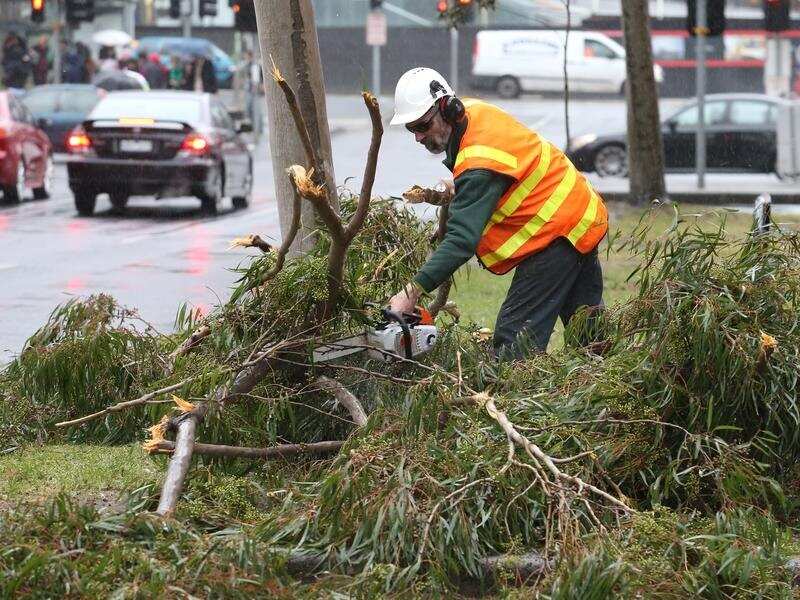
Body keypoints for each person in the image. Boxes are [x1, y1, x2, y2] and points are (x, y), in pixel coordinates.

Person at [387, 67, 609, 359]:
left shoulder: (479, 163)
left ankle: (517, 396)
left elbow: (461, 241)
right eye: (411, 129)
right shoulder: (473, 111)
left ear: (446, 108)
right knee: (589, 334)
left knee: (515, 343)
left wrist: (411, 291)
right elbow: (500, 163)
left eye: (422, 126)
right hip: (580, 216)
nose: (417, 137)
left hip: (555, 232)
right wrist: (462, 183)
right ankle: (606, 386)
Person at [241, 50, 263, 138]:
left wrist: (257, 87)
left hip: (253, 91)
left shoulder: (254, 65)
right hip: (249, 90)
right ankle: (255, 127)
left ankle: (258, 128)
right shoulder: (247, 65)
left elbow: (256, 79)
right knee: (249, 109)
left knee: (255, 110)